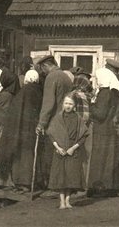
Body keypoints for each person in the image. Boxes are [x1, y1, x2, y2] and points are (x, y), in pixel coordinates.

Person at [36, 55, 74, 189]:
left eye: (42, 69)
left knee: (50, 155)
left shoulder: (51, 77)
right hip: (66, 120)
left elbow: (48, 103)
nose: (43, 73)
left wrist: (41, 123)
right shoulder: (65, 77)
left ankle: (52, 186)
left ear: (46, 66)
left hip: (54, 123)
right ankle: (62, 186)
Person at [47, 93, 89, 209]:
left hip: (72, 151)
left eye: (70, 104)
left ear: (74, 105)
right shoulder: (57, 118)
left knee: (71, 177)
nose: (68, 106)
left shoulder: (78, 119)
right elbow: (51, 135)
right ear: (63, 104)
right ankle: (61, 202)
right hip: (60, 151)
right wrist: (58, 148)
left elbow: (83, 136)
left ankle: (67, 200)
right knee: (61, 177)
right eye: (66, 103)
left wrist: (73, 148)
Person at [4, 69, 44, 191]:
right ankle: (30, 181)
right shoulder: (39, 90)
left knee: (21, 155)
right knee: (31, 154)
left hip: (22, 127)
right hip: (33, 126)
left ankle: (22, 181)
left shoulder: (24, 91)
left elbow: (16, 109)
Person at [87, 67, 119, 196]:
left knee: (100, 159)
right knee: (108, 158)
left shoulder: (104, 93)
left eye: (96, 77)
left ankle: (99, 187)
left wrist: (91, 105)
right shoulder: (113, 92)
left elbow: (100, 114)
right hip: (109, 129)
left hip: (102, 129)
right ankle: (109, 187)